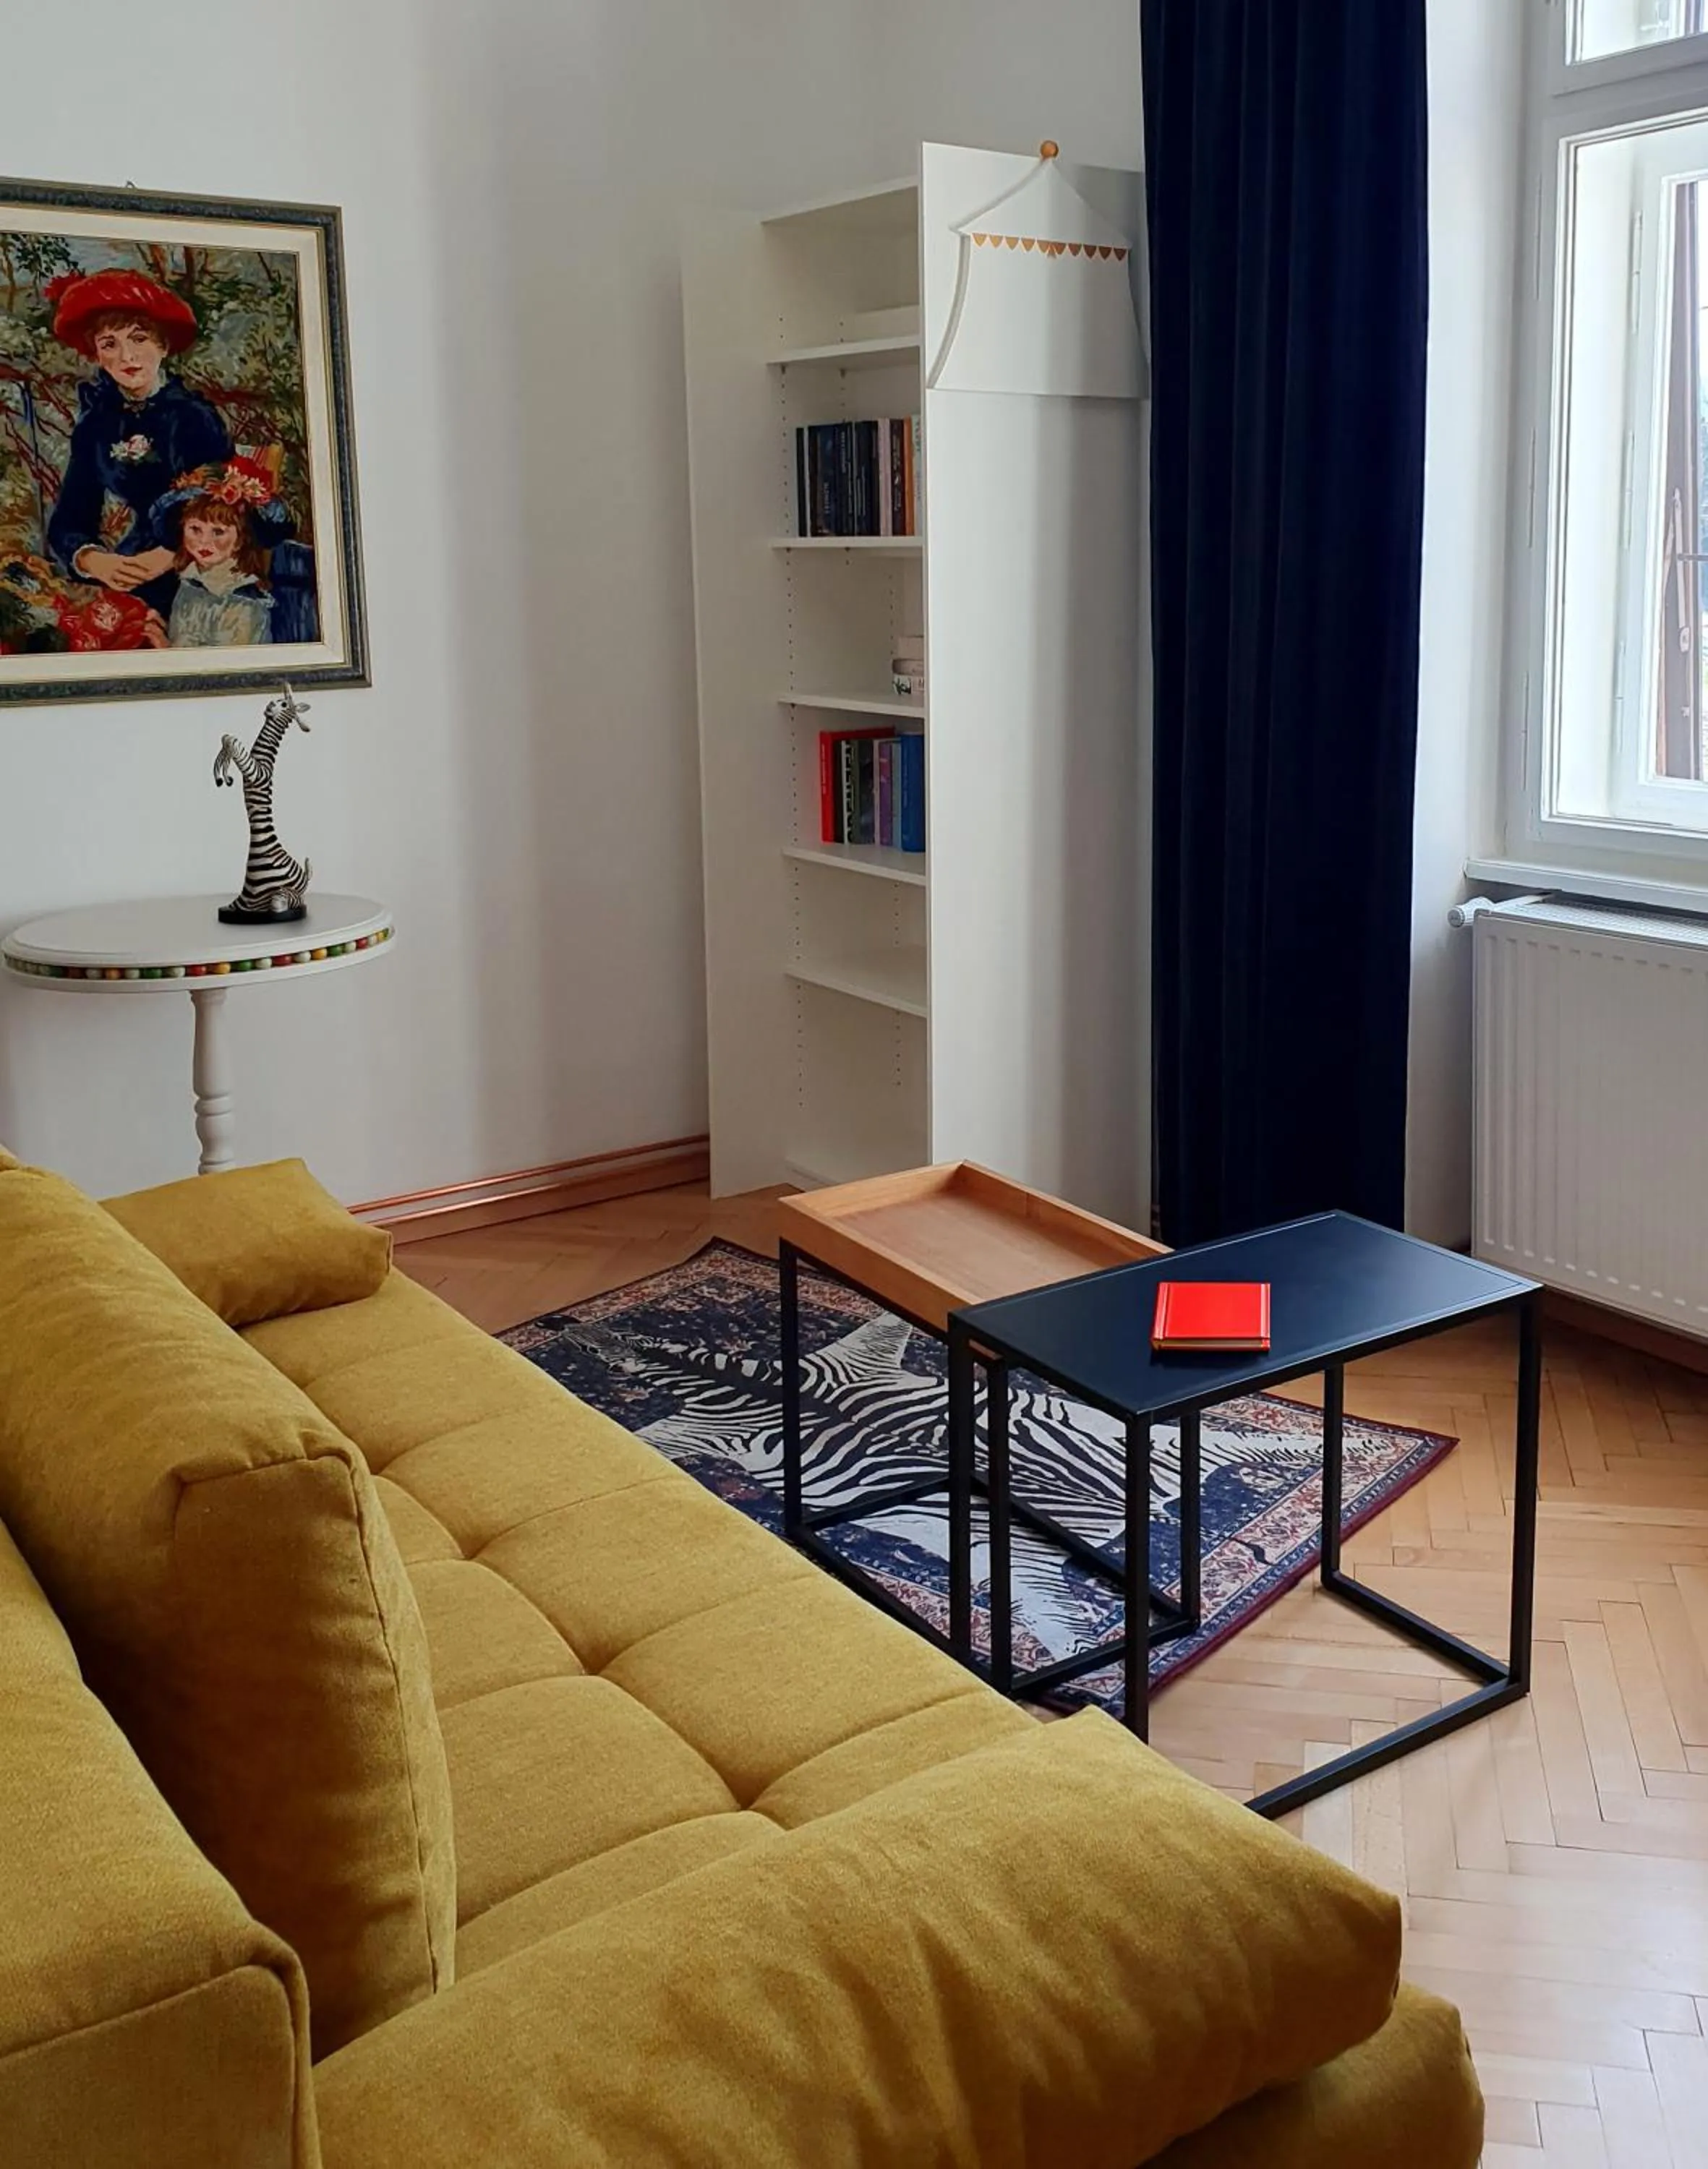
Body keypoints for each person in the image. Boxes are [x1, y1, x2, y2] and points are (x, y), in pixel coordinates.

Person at [43, 268, 232, 621]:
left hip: (190, 577)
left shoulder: (193, 418)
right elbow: (70, 516)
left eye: (139, 339)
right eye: (109, 344)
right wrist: (92, 559)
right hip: (117, 576)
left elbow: (221, 510)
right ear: (97, 354)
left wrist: (168, 556)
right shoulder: (96, 424)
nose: (127, 357)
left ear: (163, 345)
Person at [148, 459, 287, 648]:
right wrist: (160, 627)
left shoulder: (243, 602)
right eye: (195, 529)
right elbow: (188, 638)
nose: (204, 542)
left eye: (219, 532)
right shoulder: (191, 582)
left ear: (240, 540)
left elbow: (220, 670)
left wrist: (164, 648)